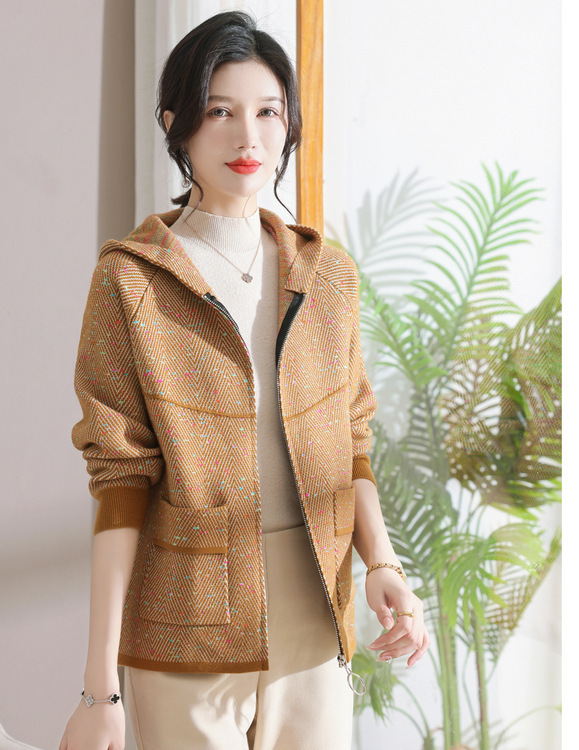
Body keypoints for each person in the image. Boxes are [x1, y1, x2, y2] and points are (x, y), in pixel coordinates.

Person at [59, 11, 429, 750]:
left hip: (313, 616)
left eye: (268, 112)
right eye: (220, 111)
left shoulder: (327, 276)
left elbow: (350, 440)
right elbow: (120, 481)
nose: (248, 138)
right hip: (185, 628)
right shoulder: (130, 281)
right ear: (177, 125)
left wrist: (382, 561)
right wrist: (100, 687)